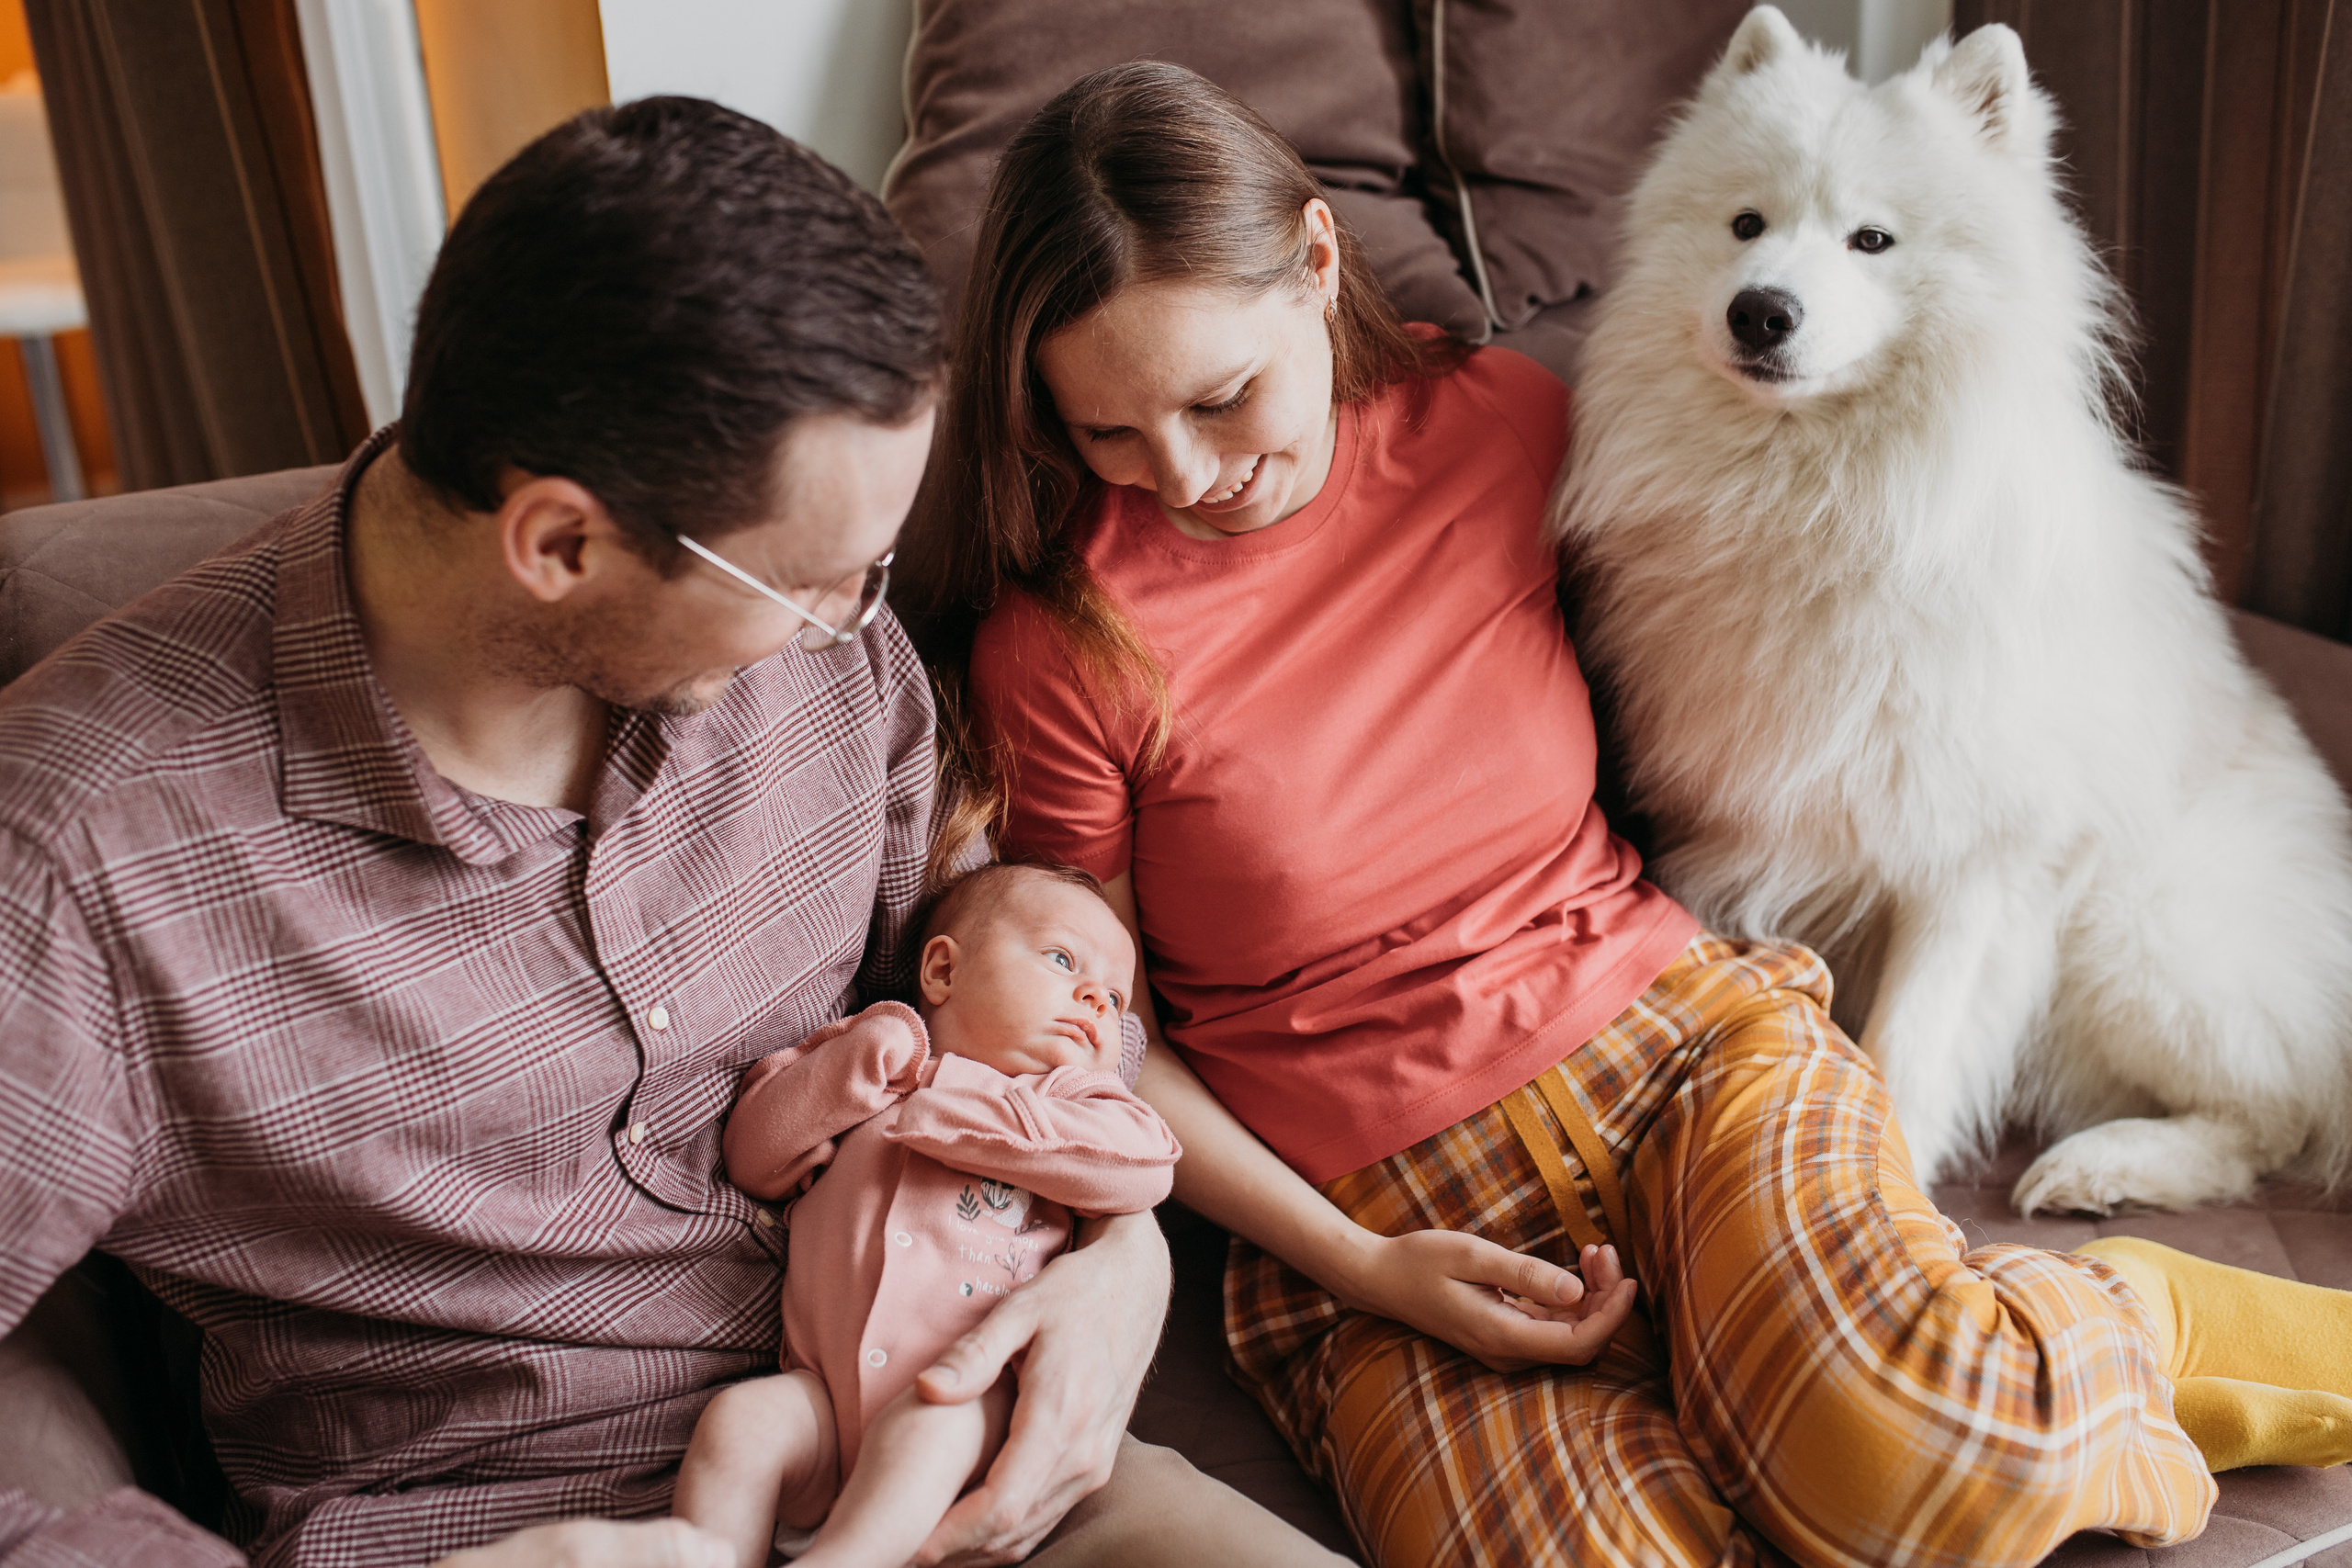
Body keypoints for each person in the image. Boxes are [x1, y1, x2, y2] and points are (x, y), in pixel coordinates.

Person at [901, 60, 2352, 1568]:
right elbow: (1103, 1033)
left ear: (1318, 262)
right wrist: (1364, 1264)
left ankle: (2144, 1322)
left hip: (1681, 1052)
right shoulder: (1065, 641)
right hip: (1374, 1212)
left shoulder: (1505, 425)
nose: (1189, 474)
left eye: (1222, 397)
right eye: (1110, 434)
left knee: (1923, 1454)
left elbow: (1834, 576)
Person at [0, 96, 1348, 1568]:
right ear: (561, 543)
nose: (855, 621)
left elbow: (1029, 969)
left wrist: (1119, 1261)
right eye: (812, 580)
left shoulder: (828, 662)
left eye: (875, 564)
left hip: (969, 1447)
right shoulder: (78, 852)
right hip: (508, 1526)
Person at [675, 863, 1182, 1568]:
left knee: (929, 1427)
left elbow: (1147, 1164)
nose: (1097, 998)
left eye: (1115, 996)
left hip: (970, 1407)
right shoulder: (876, 1068)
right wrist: (853, 1065)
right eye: (1064, 960)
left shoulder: (1071, 1105)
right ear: (943, 970)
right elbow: (753, 1157)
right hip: (823, 1407)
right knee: (740, 1424)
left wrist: (963, 1113)